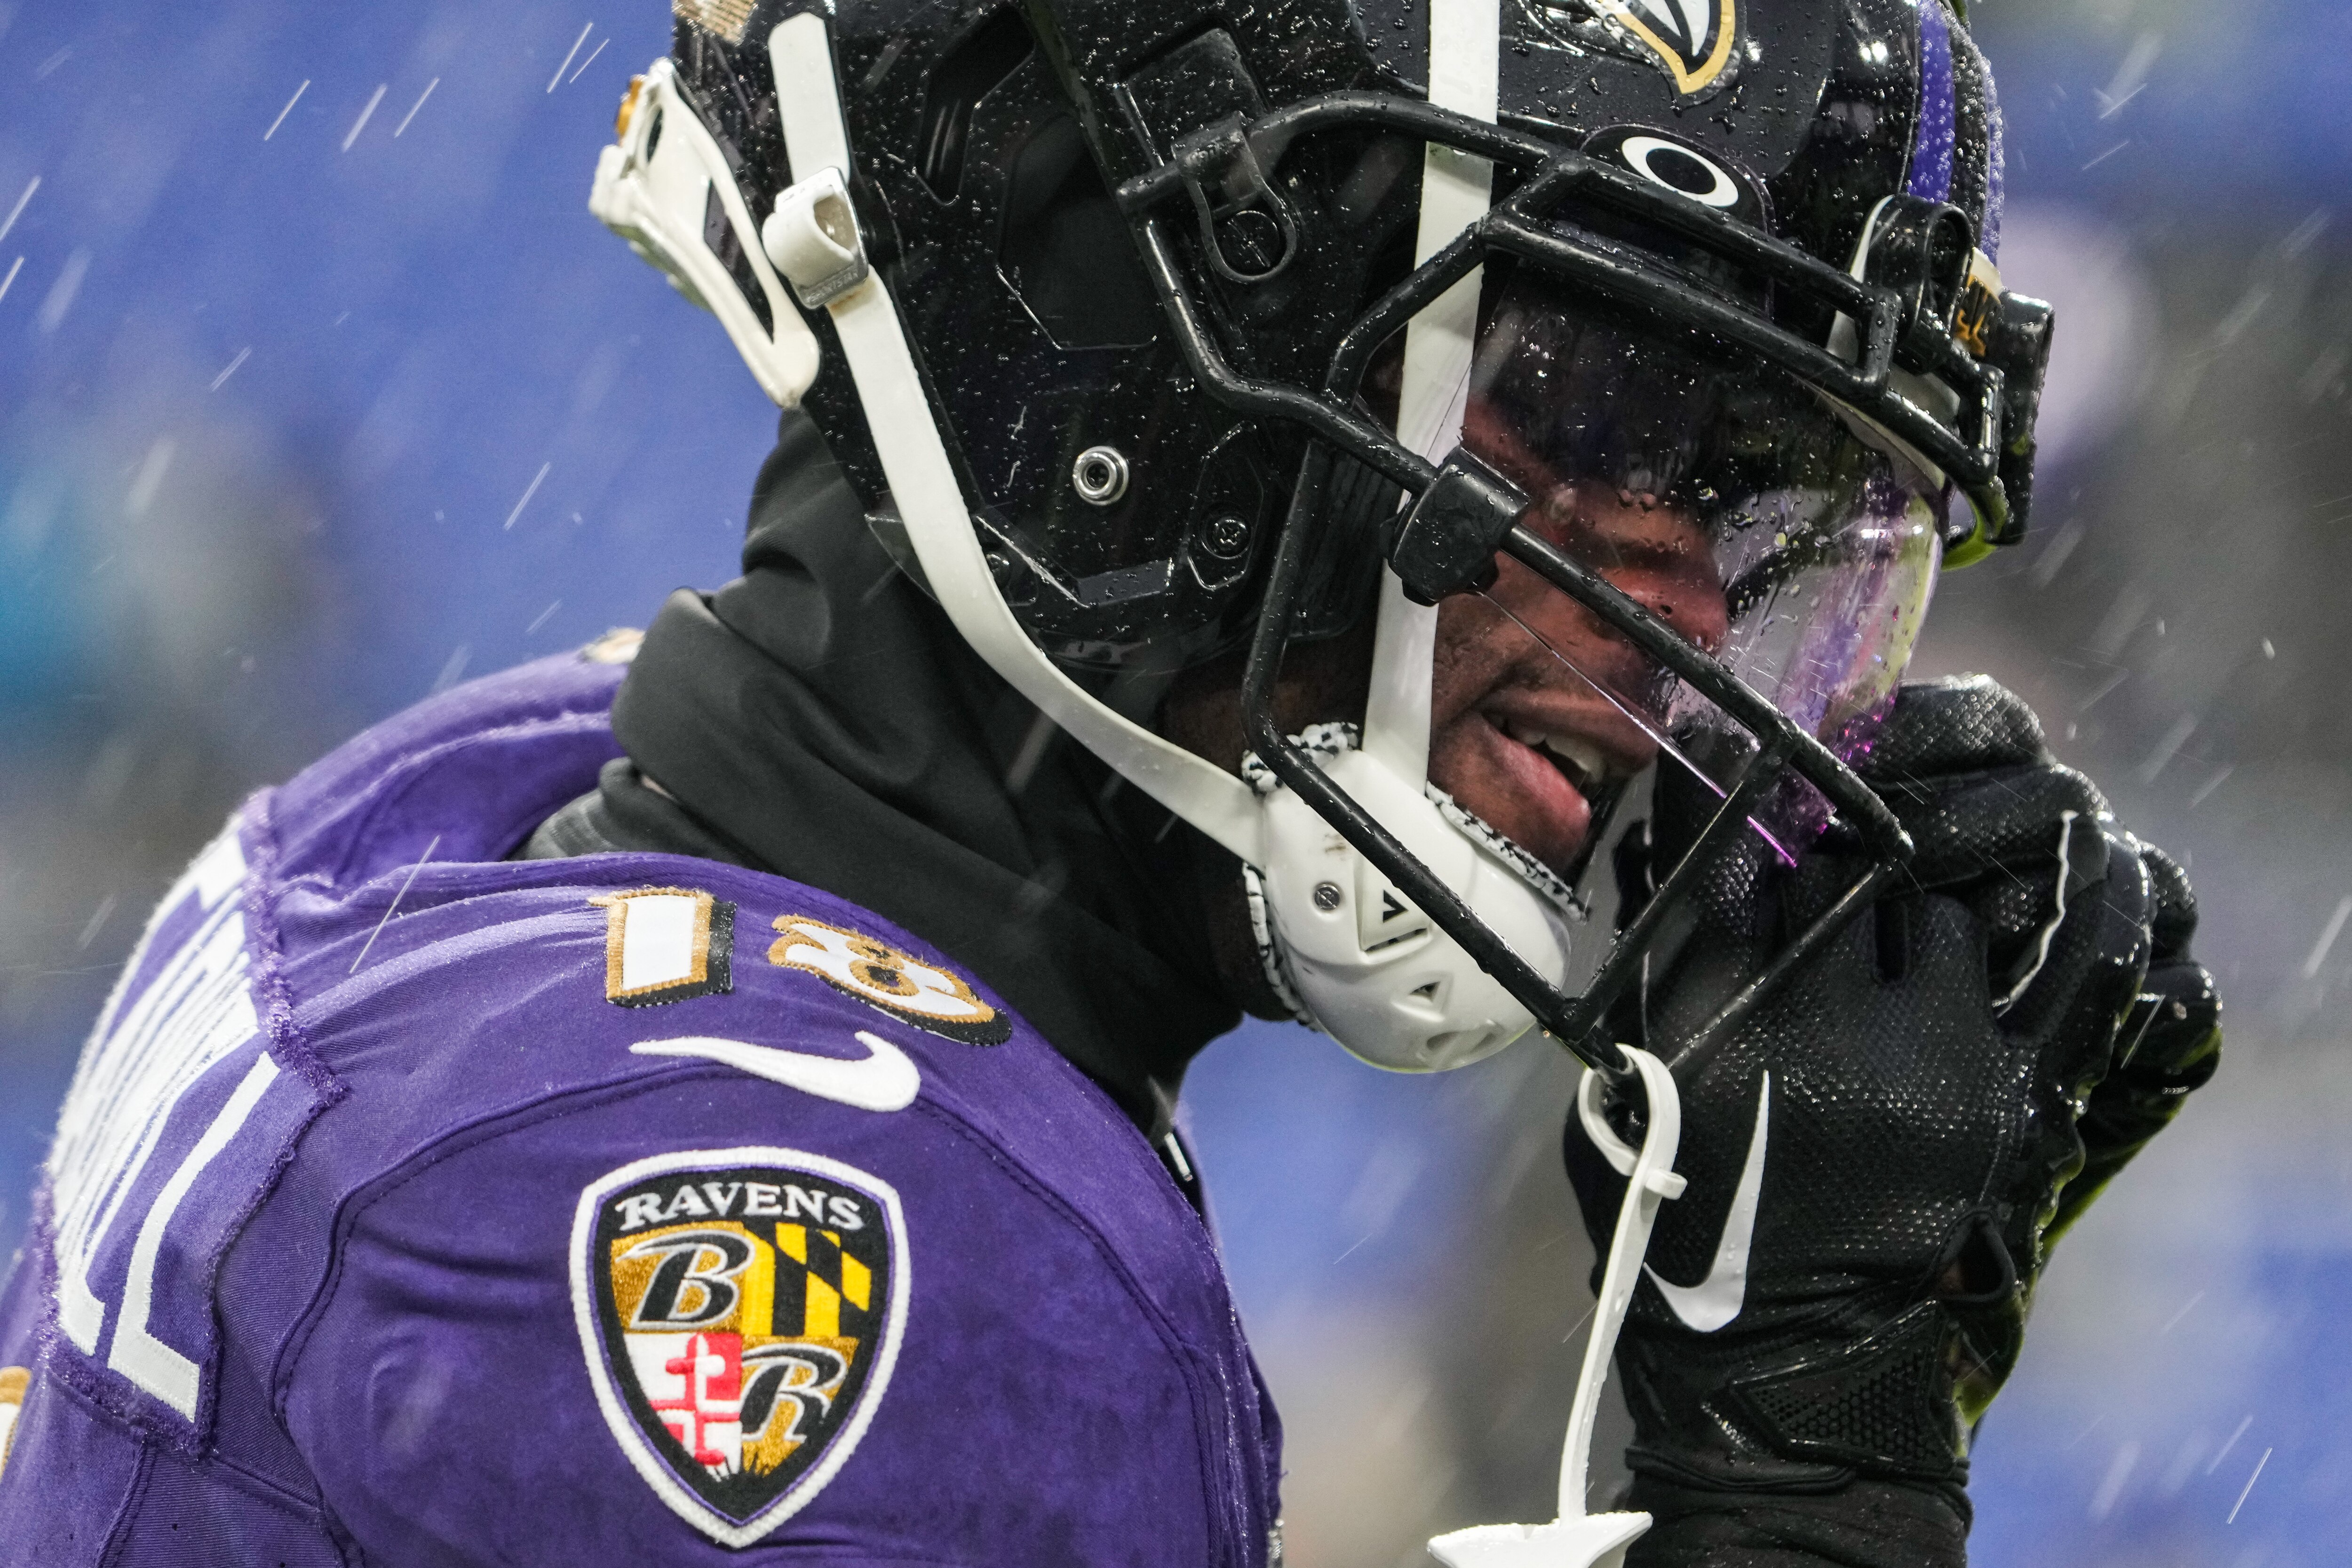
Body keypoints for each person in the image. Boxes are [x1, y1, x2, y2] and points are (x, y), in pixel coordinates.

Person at [0, 3, 2218, 1566]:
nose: (1686, 624)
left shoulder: (471, 817)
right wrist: (1802, 1484)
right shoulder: (875, 1245)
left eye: (1754, 502)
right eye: (1597, 407)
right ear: (1106, 338)